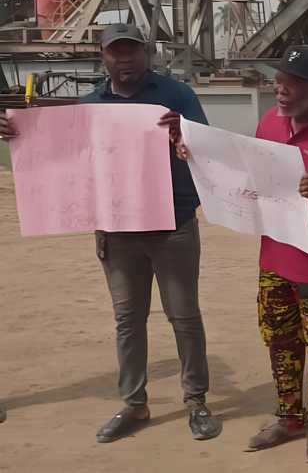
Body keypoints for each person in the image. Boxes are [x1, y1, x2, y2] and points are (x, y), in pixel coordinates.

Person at [0, 23, 221, 442]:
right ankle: (134, 404)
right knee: (128, 321)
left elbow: (206, 151)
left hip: (172, 225)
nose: (125, 60)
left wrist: (184, 134)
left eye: (131, 51)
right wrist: (18, 133)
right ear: (103, 57)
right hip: (117, 230)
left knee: (184, 317)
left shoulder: (177, 96)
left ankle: (196, 401)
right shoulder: (90, 107)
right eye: (116, 52)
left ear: (146, 53)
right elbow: (62, 156)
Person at [195, 48, 308, 463]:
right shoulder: (269, 124)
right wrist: (198, 159)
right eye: (278, 81)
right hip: (275, 257)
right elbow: (247, 177)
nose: (280, 90)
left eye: (290, 84)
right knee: (279, 338)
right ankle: (288, 417)